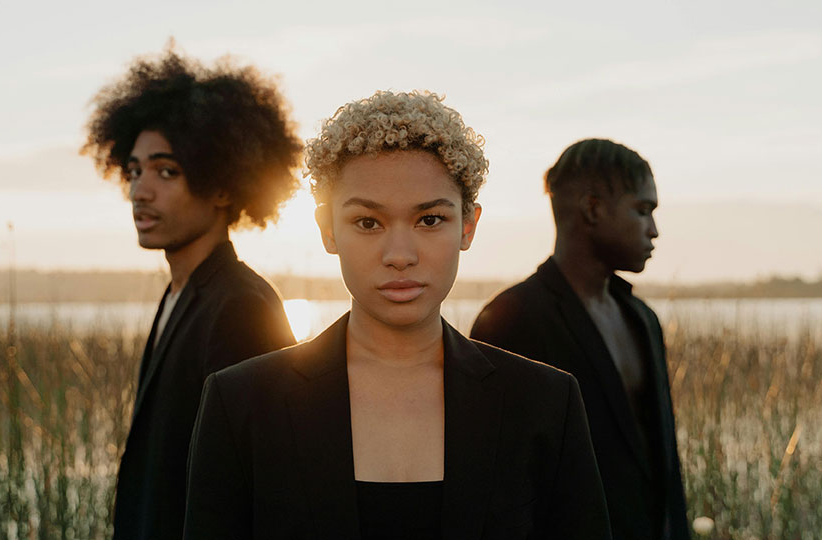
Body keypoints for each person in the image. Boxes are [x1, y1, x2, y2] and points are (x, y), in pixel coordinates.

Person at [184, 91, 611, 539]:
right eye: (368, 223)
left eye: (429, 220)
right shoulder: (241, 403)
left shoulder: (545, 403)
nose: (400, 255)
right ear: (328, 230)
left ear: (468, 226)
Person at [81, 46, 300, 540]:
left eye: (166, 171)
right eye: (134, 171)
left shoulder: (240, 305)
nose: (140, 191)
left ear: (223, 186)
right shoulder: (180, 294)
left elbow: (255, 488)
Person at [470, 138, 689, 540]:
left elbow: (664, 466)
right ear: (592, 209)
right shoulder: (512, 319)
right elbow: (494, 484)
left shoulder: (643, 319)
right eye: (642, 211)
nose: (654, 230)